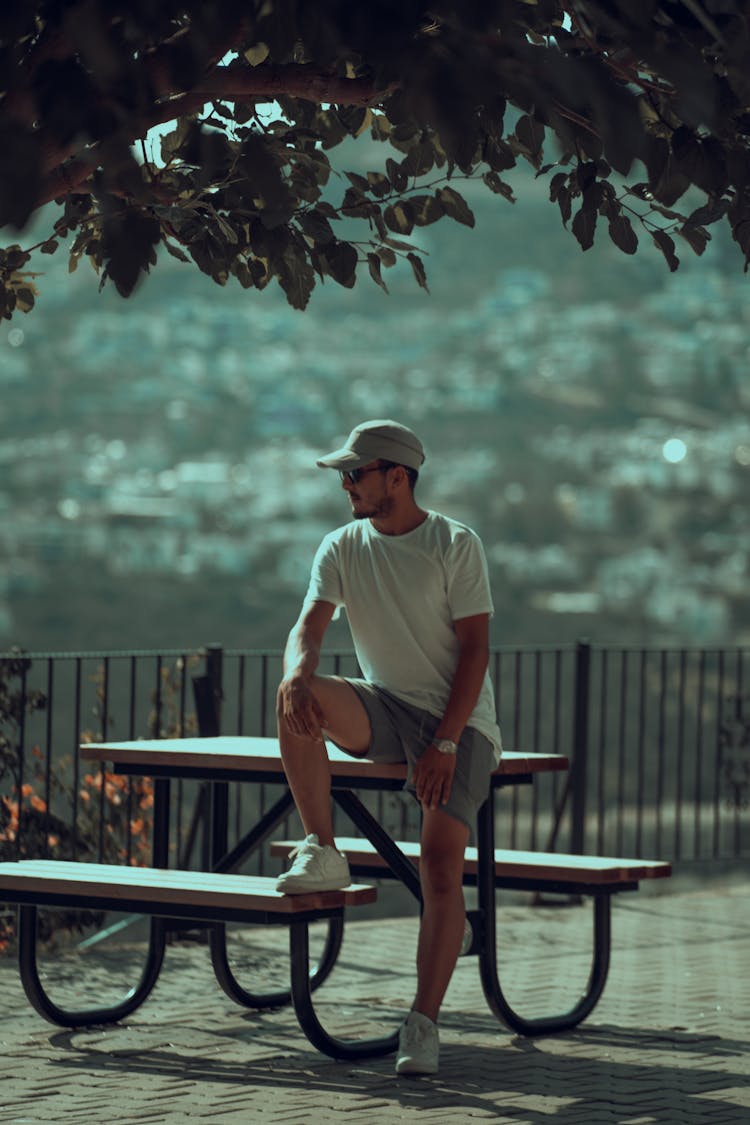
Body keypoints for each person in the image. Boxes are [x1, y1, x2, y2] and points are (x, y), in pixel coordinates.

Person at [275, 419, 502, 1076]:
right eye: (345, 474)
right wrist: (297, 669)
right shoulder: (342, 545)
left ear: (395, 476)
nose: (345, 484)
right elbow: (308, 625)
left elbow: (475, 649)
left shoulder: (454, 543)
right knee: (298, 696)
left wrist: (448, 740)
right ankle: (322, 847)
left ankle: (423, 1022)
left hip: (463, 725)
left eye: (355, 473)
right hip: (386, 706)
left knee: (437, 867)